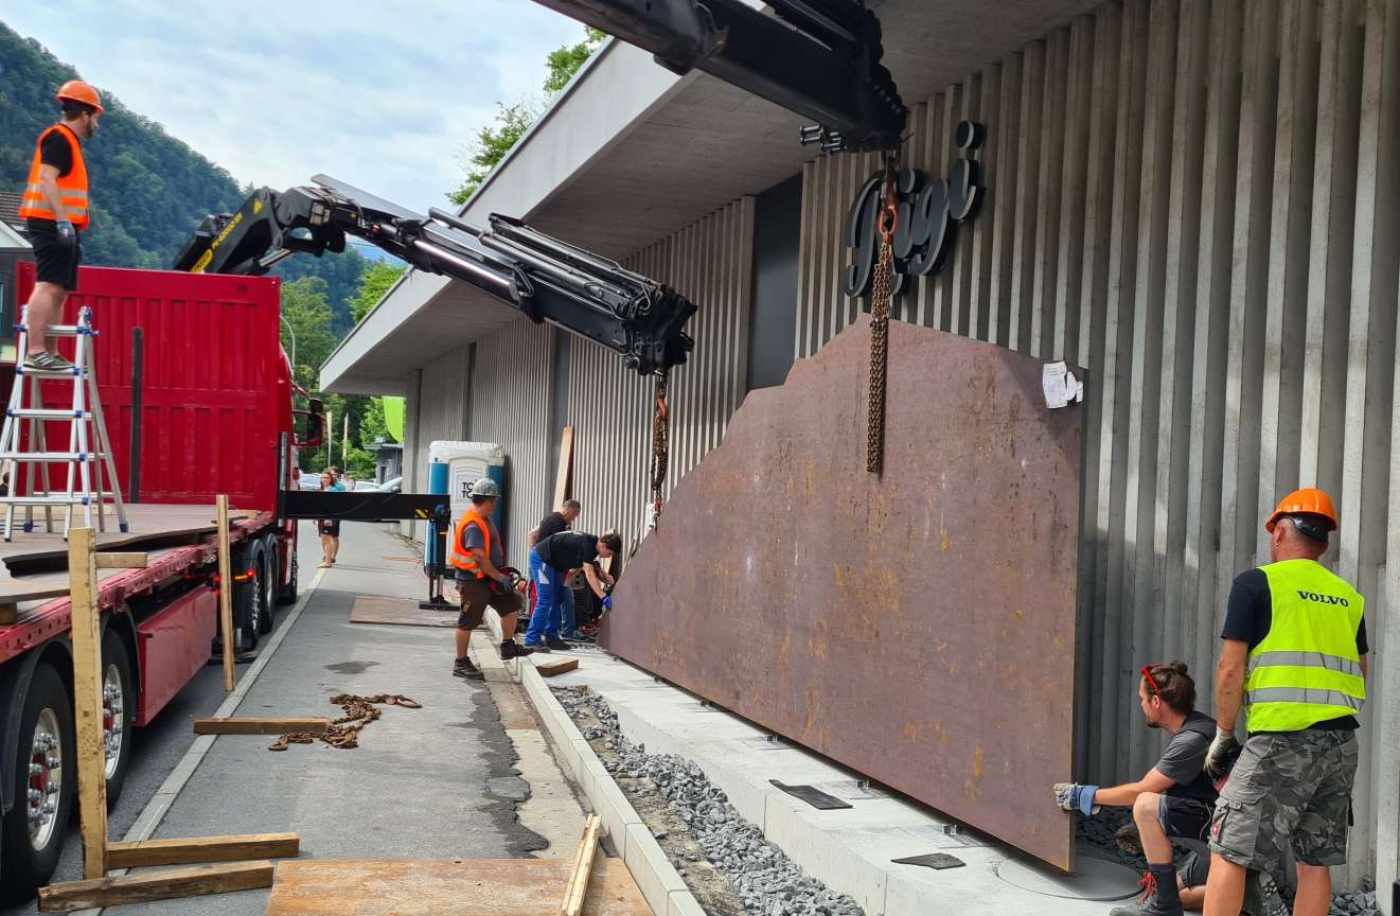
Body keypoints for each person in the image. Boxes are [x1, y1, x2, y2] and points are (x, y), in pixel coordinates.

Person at [1202, 488, 1368, 916]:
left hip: (1281, 739)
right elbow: (1359, 672)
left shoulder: (1257, 583)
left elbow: (1230, 670)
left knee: (1228, 847)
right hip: (1341, 745)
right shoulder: (1349, 597)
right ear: (1324, 542)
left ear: (1278, 531)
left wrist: (1223, 734)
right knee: (1314, 859)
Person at [1055, 663, 1218, 915]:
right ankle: (1229, 894)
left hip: (1225, 836)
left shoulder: (1191, 740)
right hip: (1217, 829)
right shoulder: (1202, 725)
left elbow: (1140, 791)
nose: (1140, 705)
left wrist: (1084, 795)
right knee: (1170, 890)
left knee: (1145, 805)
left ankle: (1167, 909)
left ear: (1156, 702)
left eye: (1142, 699)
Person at [18, 80, 102, 371]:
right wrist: (62, 219)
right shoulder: (59, 138)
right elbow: (46, 179)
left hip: (62, 226)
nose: (96, 125)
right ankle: (37, 350)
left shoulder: (68, 141)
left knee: (60, 289)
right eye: (96, 118)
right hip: (51, 223)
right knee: (48, 285)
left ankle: (49, 352)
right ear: (85, 114)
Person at [449, 478, 532, 679]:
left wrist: (499, 575)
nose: (495, 504)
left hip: (488, 578)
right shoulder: (473, 525)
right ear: (485, 500)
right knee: (468, 620)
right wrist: (499, 576)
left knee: (511, 603)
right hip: (473, 581)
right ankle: (460, 662)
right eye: (493, 500)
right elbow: (479, 556)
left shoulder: (485, 520)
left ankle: (507, 646)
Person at [524, 529, 621, 652]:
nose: (609, 556)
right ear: (603, 545)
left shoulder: (590, 548)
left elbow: (573, 570)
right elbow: (589, 574)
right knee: (545, 600)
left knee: (557, 599)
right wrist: (603, 597)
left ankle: (551, 637)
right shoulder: (588, 545)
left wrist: (564, 586)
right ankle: (531, 640)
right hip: (542, 558)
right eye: (610, 553)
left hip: (555, 566)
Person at [526, 499, 581, 632]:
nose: (572, 519)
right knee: (548, 600)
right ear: (569, 510)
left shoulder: (551, 519)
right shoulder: (558, 522)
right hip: (546, 565)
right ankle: (540, 634)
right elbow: (557, 548)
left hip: (544, 563)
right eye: (573, 515)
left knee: (551, 599)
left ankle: (551, 633)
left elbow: (534, 535)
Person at [316, 470, 346, 568]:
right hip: (321, 517)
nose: (324, 479)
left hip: (329, 518)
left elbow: (334, 506)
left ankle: (328, 561)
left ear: (331, 479)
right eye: (323, 477)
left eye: (327, 478)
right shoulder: (322, 489)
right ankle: (327, 558)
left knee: (328, 538)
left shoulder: (333, 490)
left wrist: (328, 518)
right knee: (324, 538)